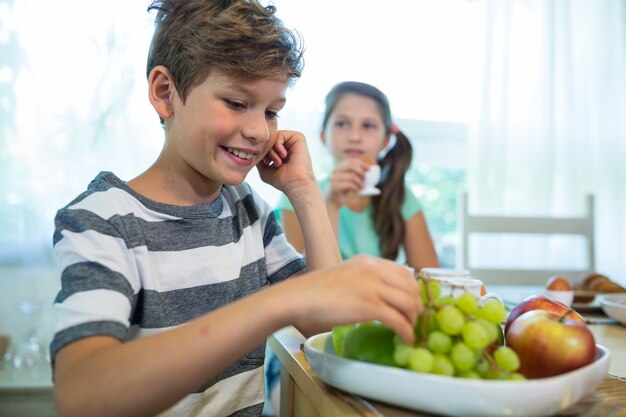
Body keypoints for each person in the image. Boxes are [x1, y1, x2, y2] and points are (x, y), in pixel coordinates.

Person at [49, 3, 422, 417]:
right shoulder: (102, 222)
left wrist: (304, 191)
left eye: (271, 111)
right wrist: (280, 302)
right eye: (235, 102)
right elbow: (81, 395)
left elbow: (328, 328)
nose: (260, 131)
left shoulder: (247, 211)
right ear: (164, 92)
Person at [276, 81, 440, 270]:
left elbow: (429, 274)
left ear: (386, 140)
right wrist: (332, 204)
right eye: (342, 123)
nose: (354, 136)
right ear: (323, 136)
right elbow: (300, 281)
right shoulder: (295, 195)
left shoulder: (401, 198)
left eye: (368, 126)